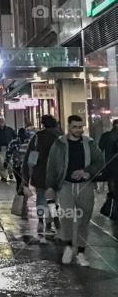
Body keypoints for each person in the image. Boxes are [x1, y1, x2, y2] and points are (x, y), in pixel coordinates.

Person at [46, 113, 105, 266]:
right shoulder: (59, 144)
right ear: (69, 127)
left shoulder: (89, 143)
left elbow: (100, 161)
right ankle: (67, 246)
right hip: (66, 185)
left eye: (80, 127)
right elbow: (51, 166)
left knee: (84, 220)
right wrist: (50, 187)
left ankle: (80, 252)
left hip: (85, 186)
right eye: (75, 127)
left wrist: (87, 171)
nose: (78, 130)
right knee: (66, 217)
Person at [23, 114, 59, 233]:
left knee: (41, 198)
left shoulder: (37, 137)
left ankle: (40, 221)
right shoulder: (58, 137)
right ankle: (50, 223)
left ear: (43, 124)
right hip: (55, 173)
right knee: (52, 200)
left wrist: (26, 177)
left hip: (39, 172)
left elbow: (29, 157)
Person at [0, 117, 16, 182]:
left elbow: (15, 136)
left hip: (9, 148)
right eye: (0, 121)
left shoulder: (9, 129)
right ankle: (4, 176)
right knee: (1, 163)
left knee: (10, 162)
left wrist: (14, 145)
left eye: (2, 121)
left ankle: (10, 173)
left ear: (4, 121)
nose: (1, 122)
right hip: (0, 148)